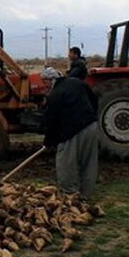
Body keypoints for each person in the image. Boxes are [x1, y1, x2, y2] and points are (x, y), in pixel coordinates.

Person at [41, 67, 99, 197]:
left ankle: (70, 194)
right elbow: (94, 100)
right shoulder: (76, 82)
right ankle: (86, 194)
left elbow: (52, 122)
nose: (43, 85)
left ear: (51, 80)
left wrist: (49, 141)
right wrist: (92, 117)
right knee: (89, 162)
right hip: (91, 126)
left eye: (44, 82)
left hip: (72, 132)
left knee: (66, 163)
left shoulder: (55, 95)